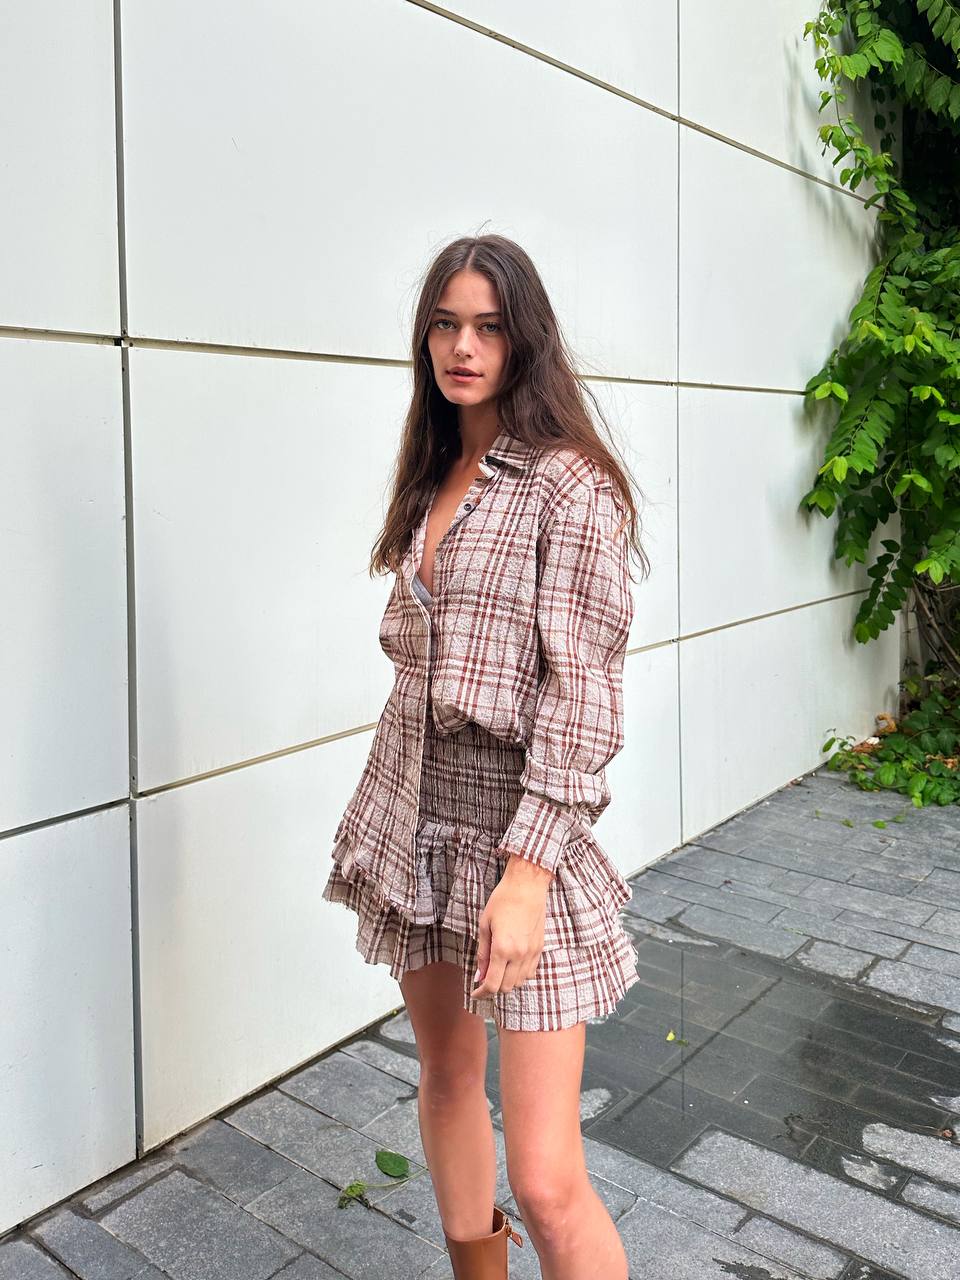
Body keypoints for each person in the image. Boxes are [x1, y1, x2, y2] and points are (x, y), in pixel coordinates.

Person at [322, 233, 651, 1279]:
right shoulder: (433, 474)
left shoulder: (569, 485)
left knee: (548, 1178)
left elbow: (583, 693)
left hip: (518, 835)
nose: (463, 348)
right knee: (446, 1076)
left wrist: (529, 872)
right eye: (446, 324)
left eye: (490, 327)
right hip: (415, 812)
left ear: (526, 340)